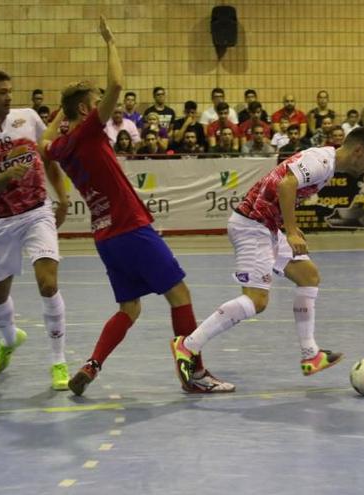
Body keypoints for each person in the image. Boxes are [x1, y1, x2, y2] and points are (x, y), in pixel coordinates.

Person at [43, 17, 232, 396]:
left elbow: (42, 145)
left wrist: (62, 113)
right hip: (131, 228)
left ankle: (91, 364)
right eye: (95, 105)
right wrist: (110, 42)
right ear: (85, 110)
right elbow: (117, 84)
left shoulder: (61, 146)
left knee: (130, 308)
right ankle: (193, 372)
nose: (103, 107)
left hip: (104, 236)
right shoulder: (87, 131)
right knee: (179, 295)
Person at [170, 127, 364, 390]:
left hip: (266, 226)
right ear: (358, 150)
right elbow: (286, 184)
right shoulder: (322, 161)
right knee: (256, 301)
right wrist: (291, 231)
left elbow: (283, 184)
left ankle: (310, 355)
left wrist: (285, 224)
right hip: (252, 226)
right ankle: (188, 345)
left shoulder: (327, 165)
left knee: (308, 275)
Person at [0, 69, 71, 390]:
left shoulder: (28, 117)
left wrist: (62, 198)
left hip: (38, 212)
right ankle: (10, 338)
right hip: (2, 221)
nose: (8, 96)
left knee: (48, 285)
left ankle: (58, 361)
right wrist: (10, 174)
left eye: (10, 90)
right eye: (1, 92)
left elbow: (48, 160)